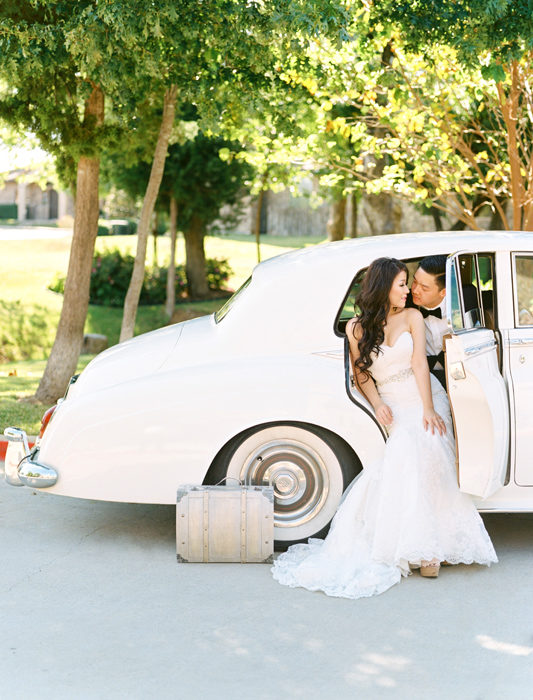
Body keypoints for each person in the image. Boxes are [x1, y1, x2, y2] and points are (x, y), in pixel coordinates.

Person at [272, 257, 497, 599]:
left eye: (409, 284)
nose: (408, 291)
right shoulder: (356, 328)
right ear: (383, 288)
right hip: (392, 403)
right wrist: (377, 404)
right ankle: (421, 546)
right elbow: (362, 374)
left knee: (429, 441)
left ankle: (431, 551)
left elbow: (419, 364)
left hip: (424, 396)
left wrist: (428, 408)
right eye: (402, 284)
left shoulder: (412, 317)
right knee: (408, 448)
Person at [410, 255, 448, 389]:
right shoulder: (403, 304)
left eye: (424, 288)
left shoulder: (463, 302)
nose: (415, 290)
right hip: (421, 379)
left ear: (443, 292)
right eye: (414, 281)